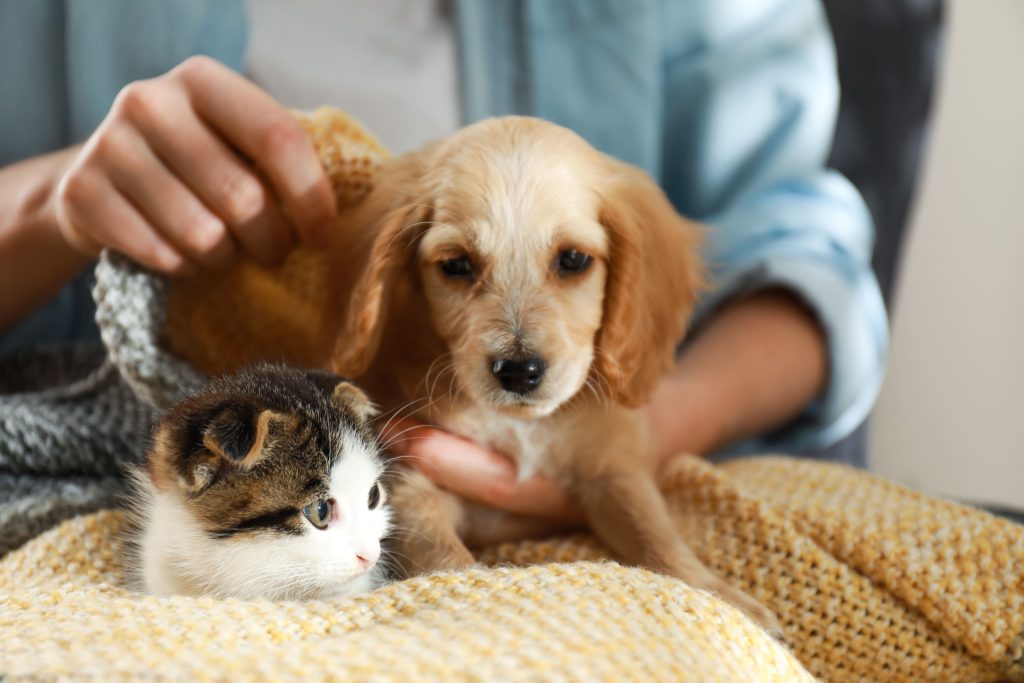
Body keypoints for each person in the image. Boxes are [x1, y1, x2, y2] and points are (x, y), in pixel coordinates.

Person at [0, 0, 886, 528]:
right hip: (128, 475)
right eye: (454, 265)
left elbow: (807, 253)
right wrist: (50, 203)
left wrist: (639, 436)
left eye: (573, 259)